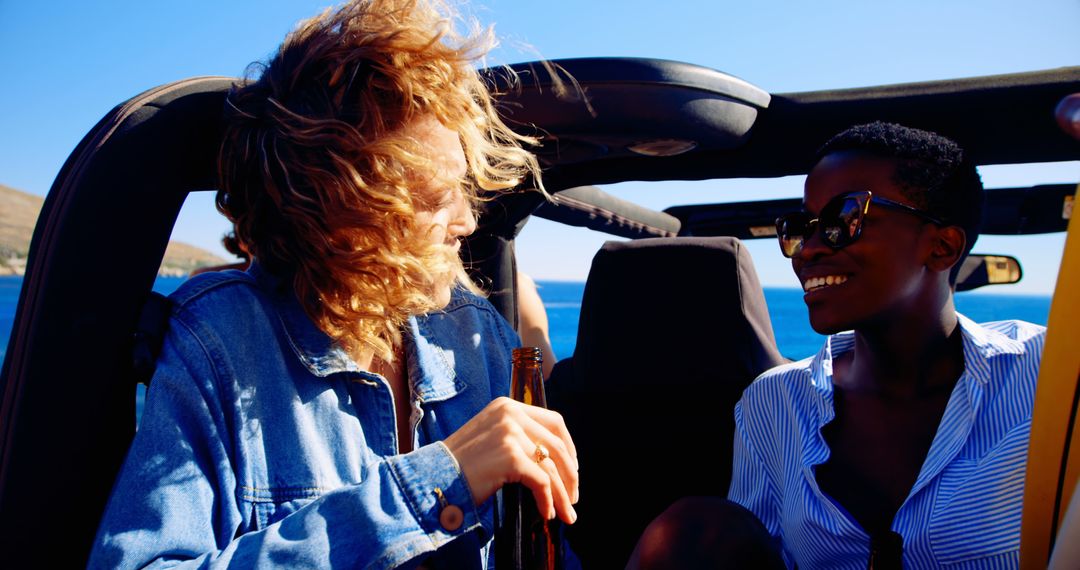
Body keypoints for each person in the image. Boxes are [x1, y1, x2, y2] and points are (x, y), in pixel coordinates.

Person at [89, 0, 578, 567]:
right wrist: (431, 485)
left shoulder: (476, 335)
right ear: (344, 205)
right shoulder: (222, 344)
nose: (467, 222)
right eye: (435, 198)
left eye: (464, 192)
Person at [630, 122, 1045, 569]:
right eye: (800, 227)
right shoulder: (774, 403)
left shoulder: (1043, 372)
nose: (807, 250)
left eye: (844, 219)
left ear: (942, 247)